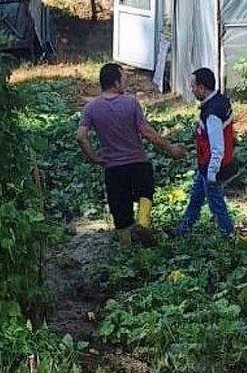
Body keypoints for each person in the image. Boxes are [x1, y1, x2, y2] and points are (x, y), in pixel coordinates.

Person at [76, 63, 185, 247]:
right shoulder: (130, 103)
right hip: (138, 163)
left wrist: (93, 158)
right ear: (116, 83)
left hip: (113, 168)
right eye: (123, 79)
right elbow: (146, 132)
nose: (125, 83)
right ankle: (143, 223)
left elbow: (80, 136)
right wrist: (170, 149)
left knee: (120, 208)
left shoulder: (91, 108)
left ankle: (126, 248)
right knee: (145, 192)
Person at [169, 67, 237, 238]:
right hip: (206, 166)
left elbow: (217, 147)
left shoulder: (212, 114)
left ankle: (228, 238)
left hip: (211, 168)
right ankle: (182, 230)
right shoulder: (221, 101)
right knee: (196, 198)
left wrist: (212, 173)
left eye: (193, 86)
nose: (191, 90)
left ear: (202, 88)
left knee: (217, 206)